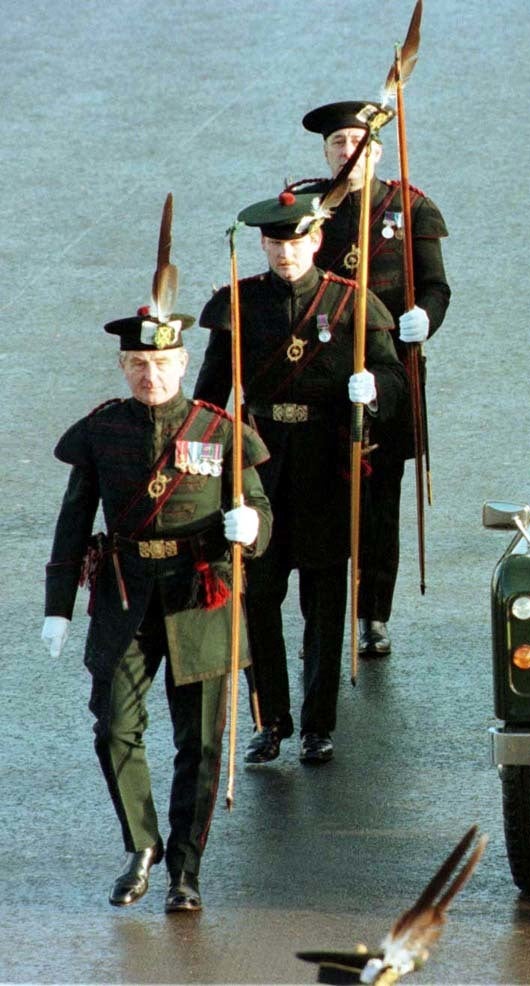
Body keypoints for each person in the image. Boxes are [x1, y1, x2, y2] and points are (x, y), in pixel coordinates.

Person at [43, 307, 272, 913]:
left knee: (199, 743)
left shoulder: (219, 431)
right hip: (125, 595)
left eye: (162, 364)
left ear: (184, 364)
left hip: (200, 595)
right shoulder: (101, 432)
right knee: (115, 726)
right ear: (123, 367)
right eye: (139, 365)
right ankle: (141, 844)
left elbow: (263, 512)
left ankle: (184, 872)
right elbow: (73, 524)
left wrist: (251, 528)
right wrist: (57, 609)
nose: (151, 375)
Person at [194, 189, 403, 767]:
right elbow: (211, 397)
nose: (285, 253)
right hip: (259, 466)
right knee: (259, 597)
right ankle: (270, 722)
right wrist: (201, 467)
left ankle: (317, 725)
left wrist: (375, 390)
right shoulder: (238, 303)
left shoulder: (350, 304)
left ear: (316, 241)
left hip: (323, 468)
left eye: (296, 242)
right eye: (274, 243)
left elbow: (394, 377)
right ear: (263, 245)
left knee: (323, 601)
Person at [300, 100, 452, 659]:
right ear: (326, 151)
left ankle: (372, 615)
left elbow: (436, 286)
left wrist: (425, 320)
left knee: (379, 500)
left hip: (389, 368)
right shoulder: (308, 206)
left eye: (358, 142)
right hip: (318, 372)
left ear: (377, 149)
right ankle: (322, 620)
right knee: (317, 498)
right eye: (338, 143)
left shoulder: (409, 208)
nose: (348, 151)